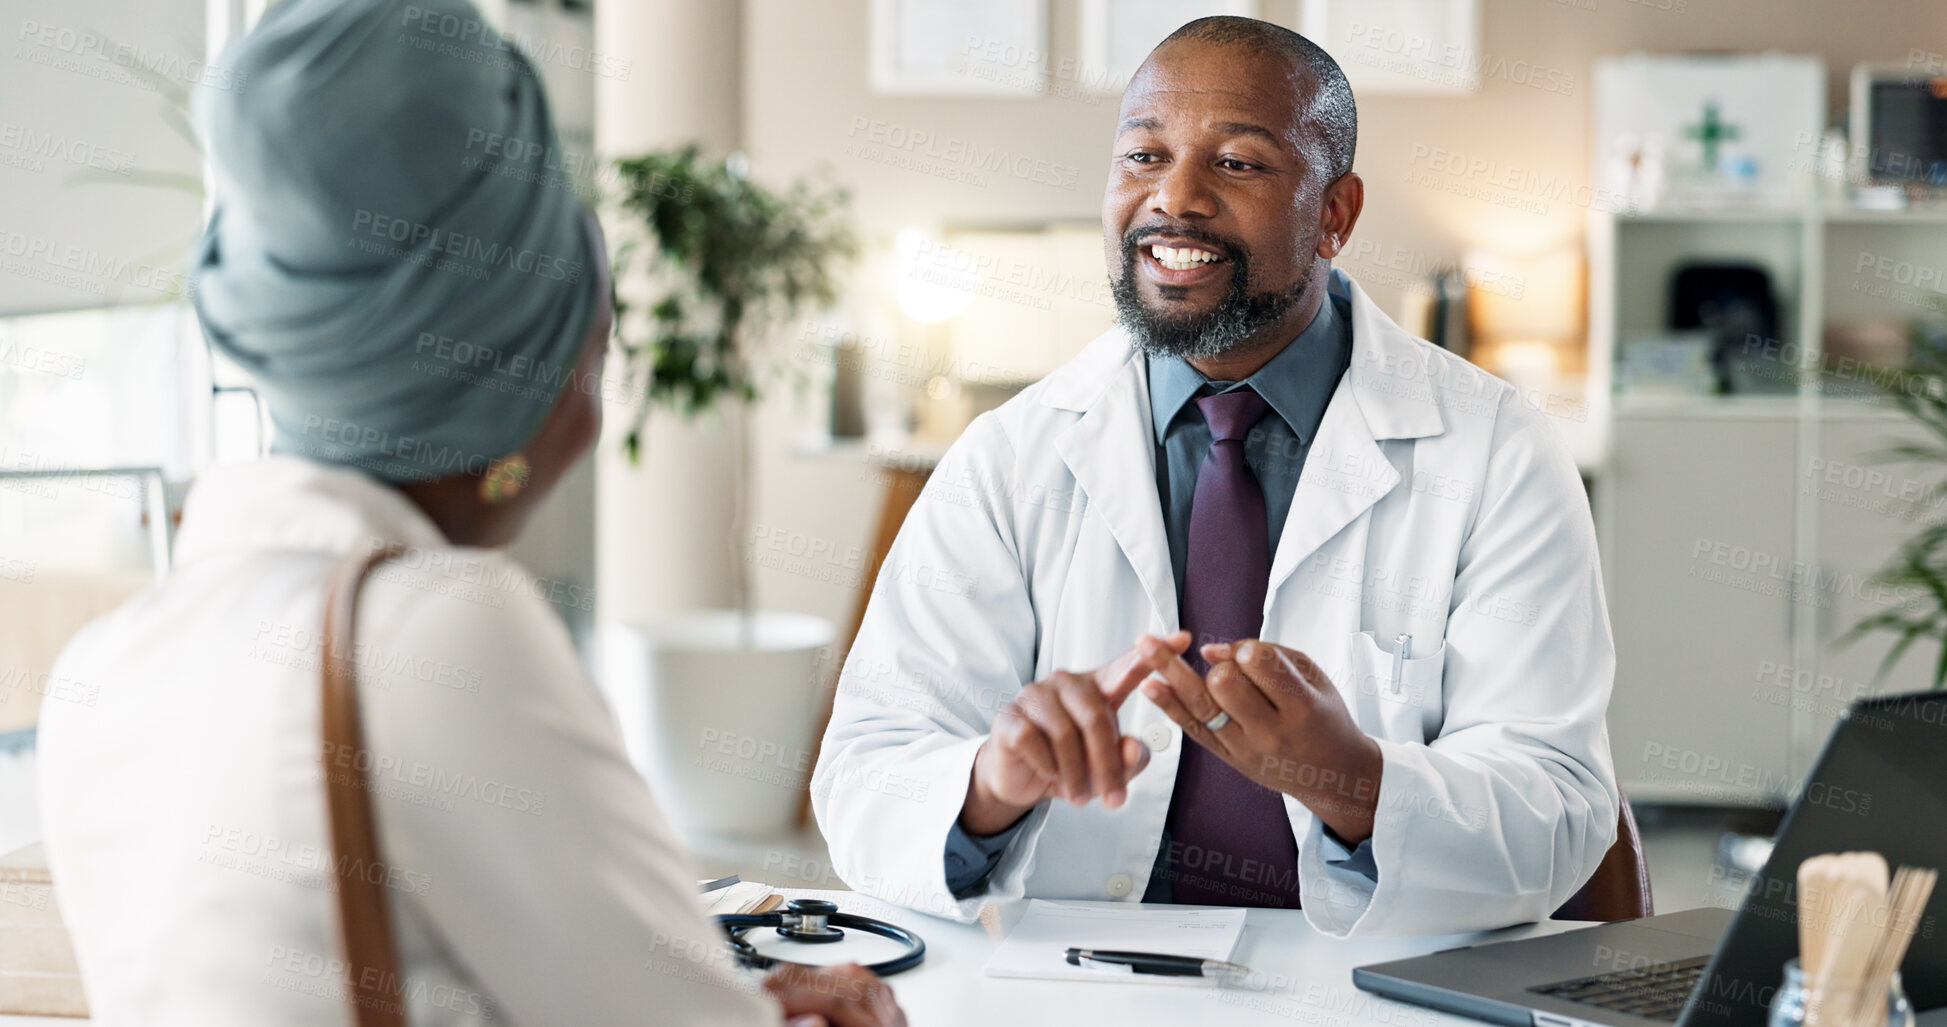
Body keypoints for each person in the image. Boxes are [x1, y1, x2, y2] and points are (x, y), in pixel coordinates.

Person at [35, 1, 904, 1024]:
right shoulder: (438, 625)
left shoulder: (102, 670)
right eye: (592, 357)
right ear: (507, 382)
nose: (590, 414)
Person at [812, 15, 1618, 938]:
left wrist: (1353, 780)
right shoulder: (1010, 455)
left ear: (1335, 215)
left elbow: (1559, 806)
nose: (1175, 199)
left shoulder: (1496, 452)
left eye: (1235, 163)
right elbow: (864, 774)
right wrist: (991, 783)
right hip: (1078, 984)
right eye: (1143, 156)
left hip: (1367, 987)